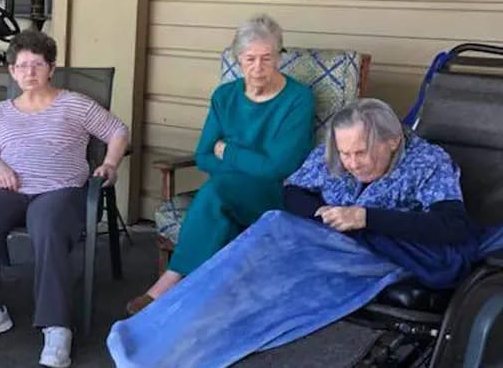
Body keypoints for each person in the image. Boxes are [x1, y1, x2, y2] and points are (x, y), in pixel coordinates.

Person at [108, 98, 501, 367]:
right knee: (259, 245)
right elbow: (293, 191)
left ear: (394, 141)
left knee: (268, 288)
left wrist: (365, 218)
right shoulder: (338, 152)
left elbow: (452, 227)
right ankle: (170, 330)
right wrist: (323, 215)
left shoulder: (429, 162)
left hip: (375, 252)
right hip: (318, 236)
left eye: (360, 153)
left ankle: (194, 345)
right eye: (344, 154)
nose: (349, 163)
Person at [0, 29, 130, 368]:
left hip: (61, 189)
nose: (29, 72)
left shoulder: (75, 104)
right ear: (11, 71)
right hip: (12, 187)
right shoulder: (3, 111)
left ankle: (56, 325)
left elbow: (117, 130)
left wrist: (110, 164)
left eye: (37, 64)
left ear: (51, 68)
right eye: (21, 66)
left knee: (48, 225)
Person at [127, 14, 316, 314]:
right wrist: (251, 161)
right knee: (221, 209)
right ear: (238, 59)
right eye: (250, 58)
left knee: (217, 190)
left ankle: (170, 283)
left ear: (280, 57)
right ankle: (203, 303)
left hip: (274, 195)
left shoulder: (298, 99)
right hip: (228, 195)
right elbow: (203, 155)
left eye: (267, 58)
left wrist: (227, 151)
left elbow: (278, 168)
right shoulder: (225, 97)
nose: (258, 68)